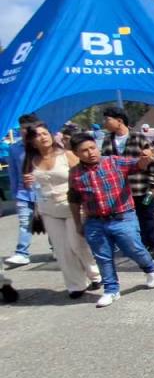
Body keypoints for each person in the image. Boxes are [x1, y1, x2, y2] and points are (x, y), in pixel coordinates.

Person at [67, 133, 154, 308]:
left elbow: (138, 164)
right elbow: (73, 199)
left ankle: (150, 267)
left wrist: (146, 157)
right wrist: (78, 223)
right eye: (84, 151)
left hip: (122, 216)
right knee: (103, 257)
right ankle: (111, 290)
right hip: (94, 221)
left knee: (133, 248)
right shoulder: (75, 174)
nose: (90, 153)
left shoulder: (114, 162)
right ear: (75, 153)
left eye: (92, 148)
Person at [21, 123, 102, 298]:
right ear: (32, 142)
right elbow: (31, 184)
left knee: (77, 245)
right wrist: (28, 183)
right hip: (48, 209)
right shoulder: (31, 160)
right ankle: (76, 285)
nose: (43, 137)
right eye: (38, 135)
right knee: (62, 249)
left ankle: (95, 274)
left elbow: (84, 174)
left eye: (45, 133)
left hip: (72, 206)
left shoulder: (67, 155)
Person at [100, 107, 154, 261]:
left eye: (107, 119)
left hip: (142, 188)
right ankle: (135, 247)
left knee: (147, 217)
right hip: (119, 192)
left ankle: (153, 247)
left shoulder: (138, 138)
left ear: (119, 120)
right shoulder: (107, 141)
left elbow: (153, 162)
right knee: (124, 221)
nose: (104, 123)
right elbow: (104, 165)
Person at [4, 114, 41, 266]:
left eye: (28, 128)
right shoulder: (14, 148)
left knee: (49, 223)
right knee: (25, 222)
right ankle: (22, 253)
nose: (25, 131)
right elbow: (13, 172)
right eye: (22, 128)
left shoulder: (43, 144)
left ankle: (56, 249)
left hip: (43, 192)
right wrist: (15, 193)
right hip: (23, 193)